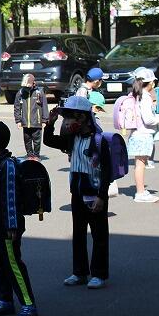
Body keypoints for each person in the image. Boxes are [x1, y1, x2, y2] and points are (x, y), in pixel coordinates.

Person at [44, 96, 111, 289]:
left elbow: (106, 171)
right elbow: (49, 140)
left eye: (69, 117)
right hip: (77, 193)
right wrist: (50, 123)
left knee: (99, 235)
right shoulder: (71, 139)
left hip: (95, 193)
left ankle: (99, 274)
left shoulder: (99, 140)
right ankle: (80, 272)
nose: (66, 122)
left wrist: (102, 196)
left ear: (82, 118)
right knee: (79, 233)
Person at [0, 121, 38, 316]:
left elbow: (10, 196)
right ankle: (5, 300)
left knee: (13, 264)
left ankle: (28, 303)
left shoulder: (8, 165)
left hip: (6, 227)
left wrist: (12, 224)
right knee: (0, 264)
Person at [126, 68, 159, 203]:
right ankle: (140, 193)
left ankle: (141, 191)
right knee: (140, 165)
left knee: (139, 164)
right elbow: (149, 119)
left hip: (136, 133)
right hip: (143, 134)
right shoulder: (145, 97)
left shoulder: (135, 95)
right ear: (151, 82)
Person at [14, 74, 49, 161]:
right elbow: (17, 107)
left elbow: (44, 106)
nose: (26, 88)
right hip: (25, 122)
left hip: (36, 122)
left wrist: (44, 120)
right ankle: (29, 155)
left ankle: (36, 155)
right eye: (25, 86)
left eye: (28, 86)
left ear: (34, 83)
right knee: (27, 140)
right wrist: (18, 120)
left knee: (37, 140)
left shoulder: (39, 92)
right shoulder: (20, 93)